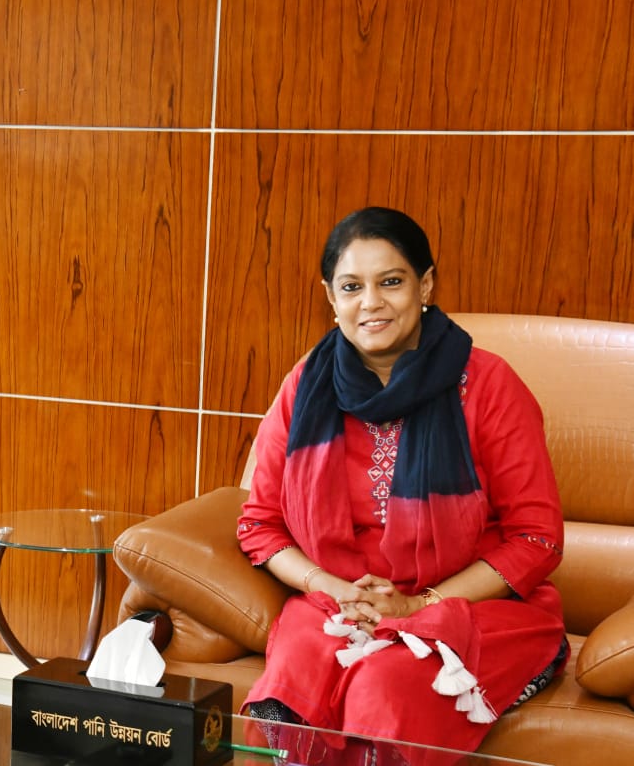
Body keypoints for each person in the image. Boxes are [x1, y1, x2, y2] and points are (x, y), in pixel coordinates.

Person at [235, 207, 567, 763]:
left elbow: (537, 539)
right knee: (291, 694)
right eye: (352, 287)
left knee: (385, 684)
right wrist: (334, 588)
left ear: (425, 286)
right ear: (330, 297)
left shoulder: (489, 386)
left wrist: (418, 604)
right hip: (337, 604)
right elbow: (260, 524)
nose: (371, 302)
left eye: (391, 281)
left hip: (465, 606)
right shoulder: (304, 386)